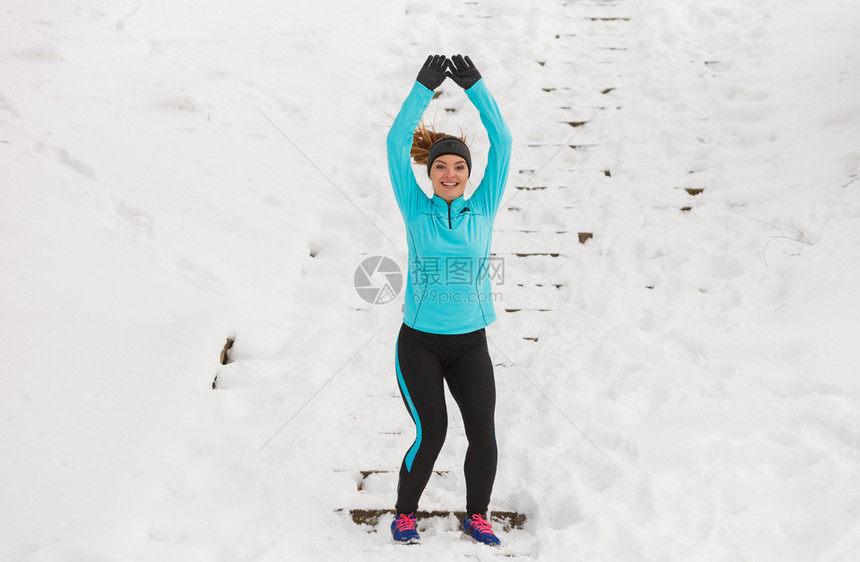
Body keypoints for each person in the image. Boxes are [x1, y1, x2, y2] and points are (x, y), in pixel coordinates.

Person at [385, 54, 513, 546]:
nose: (452, 173)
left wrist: (476, 89)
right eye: (443, 166)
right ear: (431, 172)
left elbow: (501, 142)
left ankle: (477, 516)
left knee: (483, 429)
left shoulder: (482, 206)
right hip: (419, 343)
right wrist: (423, 88)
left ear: (468, 172)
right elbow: (396, 143)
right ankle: (404, 515)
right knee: (432, 431)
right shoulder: (416, 208)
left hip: (469, 343)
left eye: (460, 166)